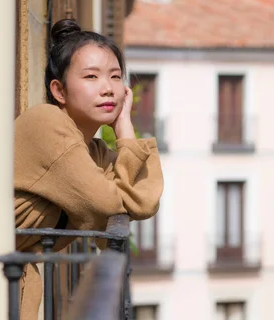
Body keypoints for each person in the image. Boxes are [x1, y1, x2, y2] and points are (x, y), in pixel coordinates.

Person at [13, 19, 163, 320]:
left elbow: (145, 202)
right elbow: (107, 205)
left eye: (115, 77)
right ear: (59, 90)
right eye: (91, 77)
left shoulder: (92, 151)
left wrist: (125, 129)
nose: (108, 89)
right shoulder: (46, 123)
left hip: (14, 283)